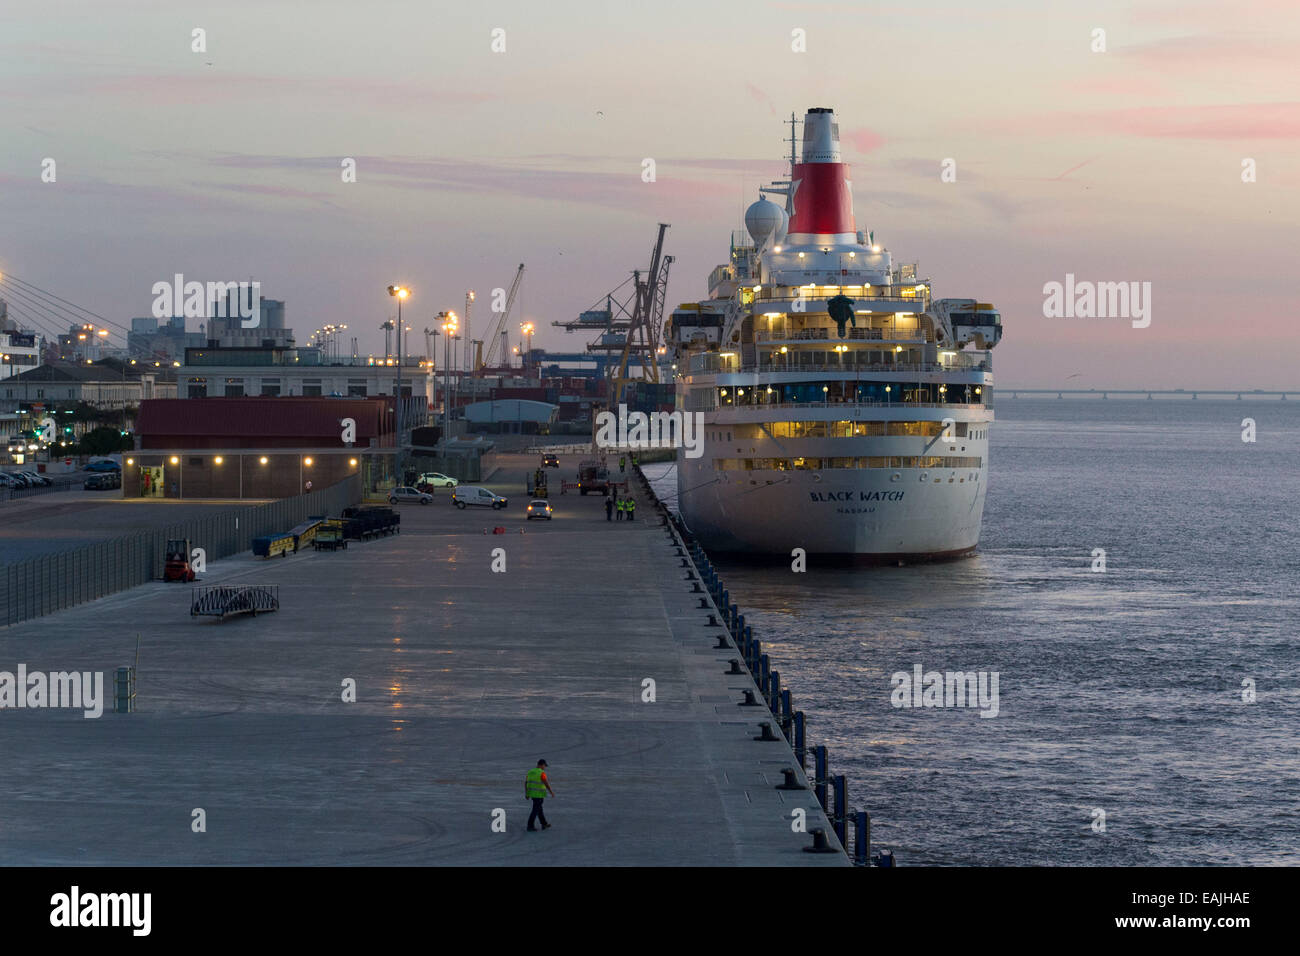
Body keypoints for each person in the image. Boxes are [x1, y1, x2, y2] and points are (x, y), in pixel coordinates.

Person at [525, 759, 554, 831]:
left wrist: (527, 793)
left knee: (539, 809)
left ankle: (544, 823)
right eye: (544, 766)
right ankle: (530, 826)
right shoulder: (542, 773)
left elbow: (526, 783)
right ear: (541, 765)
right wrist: (551, 791)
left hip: (532, 794)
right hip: (539, 795)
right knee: (535, 810)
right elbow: (546, 783)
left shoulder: (530, 772)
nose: (544, 767)